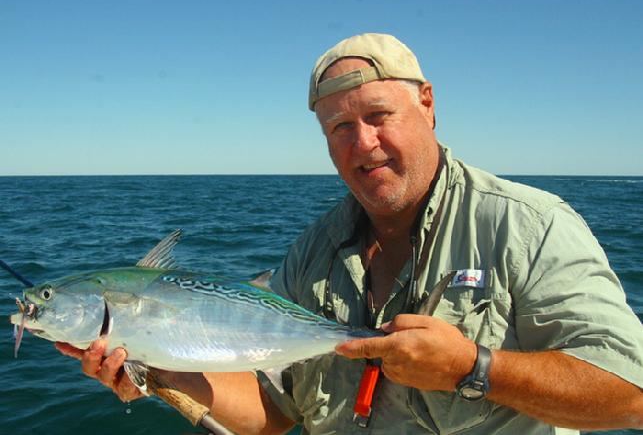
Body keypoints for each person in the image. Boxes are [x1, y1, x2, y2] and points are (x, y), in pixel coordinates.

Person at [57, 33, 643, 434]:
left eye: (379, 115)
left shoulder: (527, 225)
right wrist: (159, 375)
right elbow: (272, 411)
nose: (362, 144)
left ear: (428, 104)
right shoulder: (313, 251)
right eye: (339, 126)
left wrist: (473, 368)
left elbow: (630, 392)